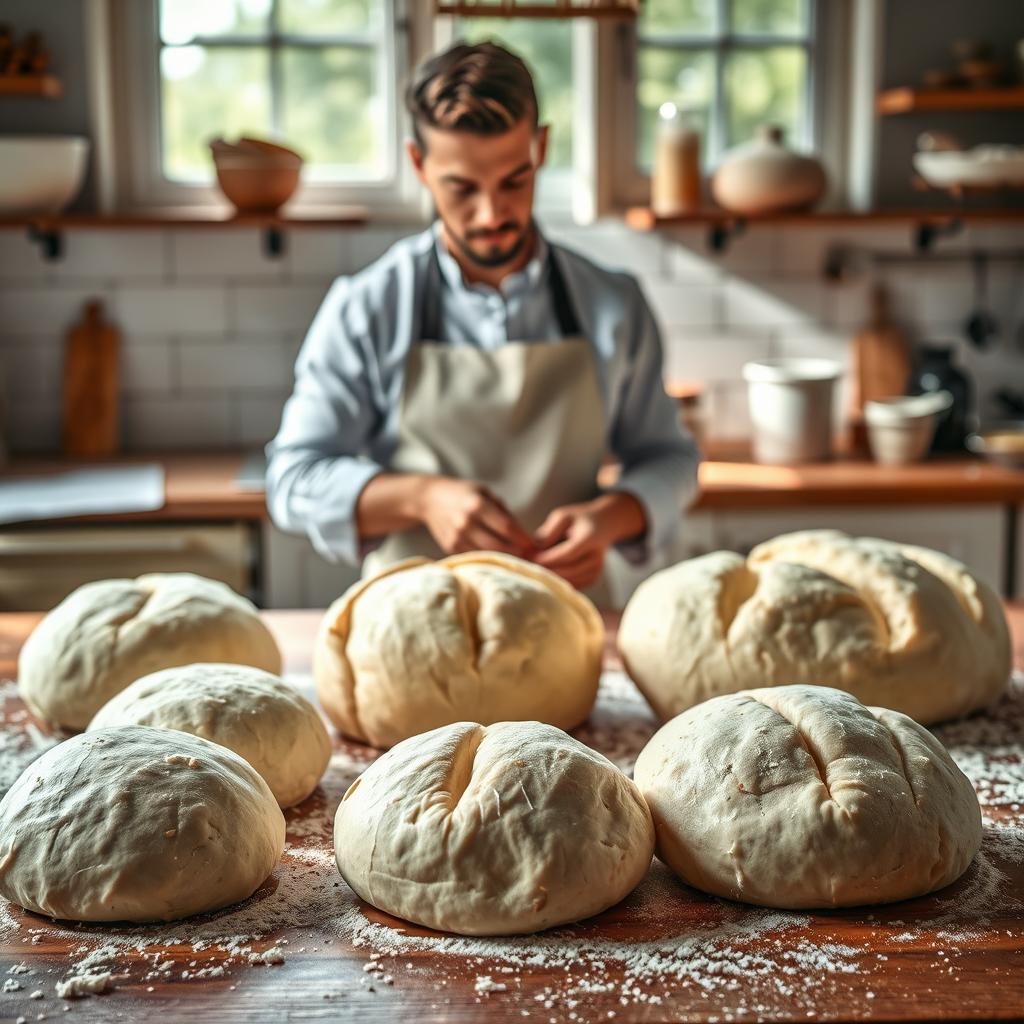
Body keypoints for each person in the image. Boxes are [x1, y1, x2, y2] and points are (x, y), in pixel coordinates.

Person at [265, 40, 700, 601]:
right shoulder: (368, 306)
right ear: (420, 165)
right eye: (462, 188)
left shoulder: (613, 303)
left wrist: (615, 515)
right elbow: (294, 479)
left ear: (541, 147)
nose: (492, 214)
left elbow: (671, 457)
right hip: (412, 621)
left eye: (514, 181)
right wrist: (421, 497)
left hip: (571, 615)